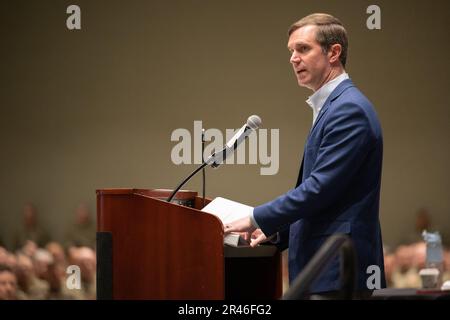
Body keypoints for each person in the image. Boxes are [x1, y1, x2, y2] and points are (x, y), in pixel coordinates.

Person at [225, 13, 386, 297]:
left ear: (334, 52)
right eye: (291, 51)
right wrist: (276, 232)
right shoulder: (332, 107)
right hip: (322, 270)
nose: (293, 58)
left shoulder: (349, 110)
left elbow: (319, 189)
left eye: (303, 49)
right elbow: (323, 199)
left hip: (338, 271)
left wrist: (255, 217)